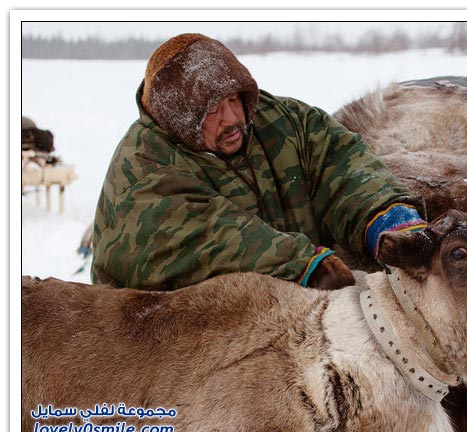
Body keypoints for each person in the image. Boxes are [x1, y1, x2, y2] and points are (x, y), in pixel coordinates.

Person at [91, 33, 427, 291]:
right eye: (212, 111)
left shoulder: (280, 120)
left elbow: (339, 162)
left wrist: (387, 218)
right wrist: (305, 267)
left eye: (235, 99)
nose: (234, 118)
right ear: (179, 121)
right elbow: (213, 240)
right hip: (174, 351)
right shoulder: (142, 171)